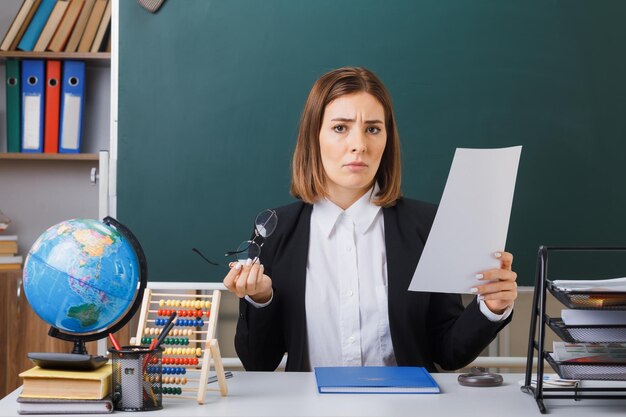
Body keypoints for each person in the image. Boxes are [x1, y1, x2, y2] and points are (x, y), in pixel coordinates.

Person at [223, 66, 517, 372]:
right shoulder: (275, 231)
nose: (359, 144)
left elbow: (448, 352)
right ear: (314, 137)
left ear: (387, 140)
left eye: (373, 129)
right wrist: (261, 298)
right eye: (340, 128)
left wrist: (490, 308)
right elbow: (259, 361)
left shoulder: (427, 226)